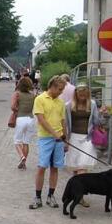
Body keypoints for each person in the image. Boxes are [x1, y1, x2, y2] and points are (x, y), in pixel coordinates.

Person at [29, 75, 68, 209]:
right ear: (52, 86)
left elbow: (63, 121)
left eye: (62, 90)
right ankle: (38, 197)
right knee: (42, 167)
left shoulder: (61, 102)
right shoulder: (40, 99)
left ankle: (51, 196)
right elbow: (41, 120)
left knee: (55, 167)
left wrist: (65, 138)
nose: (61, 92)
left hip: (59, 139)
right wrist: (54, 133)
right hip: (46, 138)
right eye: (60, 89)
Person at [64, 82, 102, 207]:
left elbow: (96, 121)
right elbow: (66, 123)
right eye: (80, 95)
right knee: (75, 168)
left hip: (87, 138)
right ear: (76, 94)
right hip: (73, 138)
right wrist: (66, 139)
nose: (82, 97)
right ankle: (77, 193)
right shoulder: (69, 105)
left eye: (84, 95)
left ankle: (79, 197)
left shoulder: (92, 104)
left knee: (82, 167)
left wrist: (101, 114)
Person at [11, 77, 36, 170]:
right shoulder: (33, 95)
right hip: (31, 119)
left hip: (21, 119)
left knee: (17, 141)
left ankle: (22, 157)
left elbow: (13, 106)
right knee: (26, 142)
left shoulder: (17, 94)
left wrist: (18, 109)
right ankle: (23, 163)